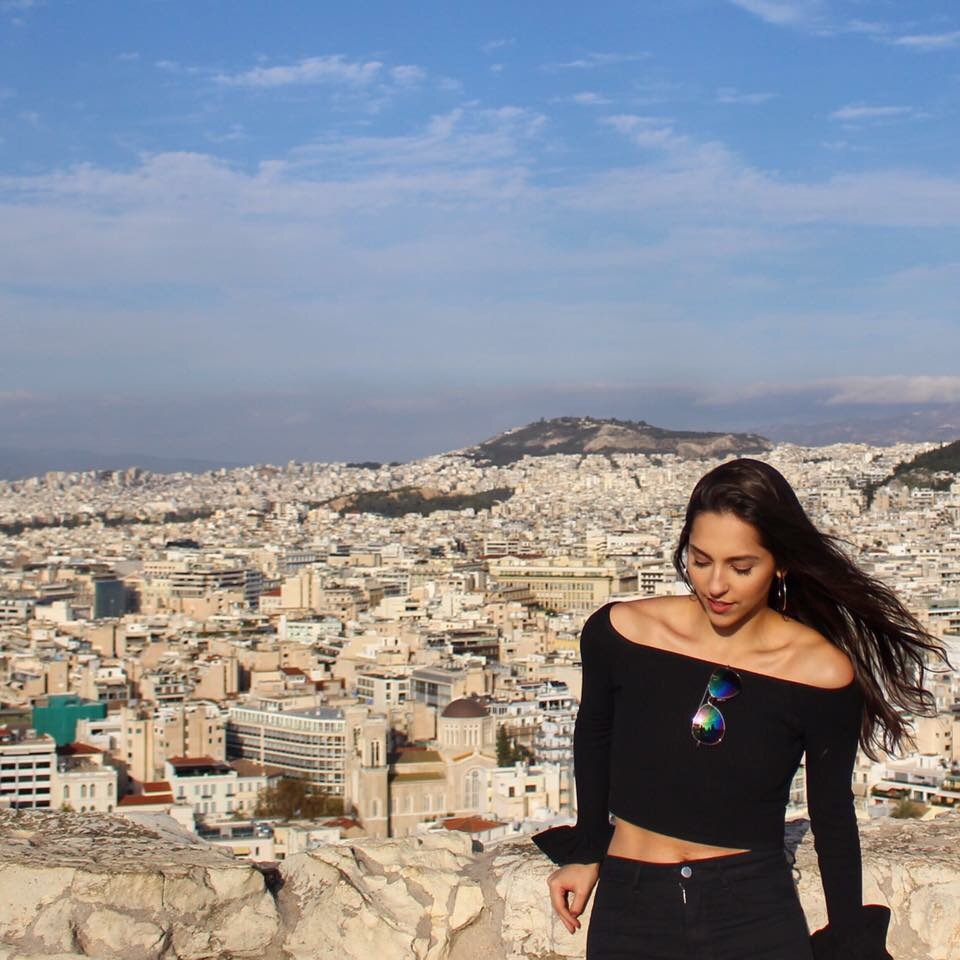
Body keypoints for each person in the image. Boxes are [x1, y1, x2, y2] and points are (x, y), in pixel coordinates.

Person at [533, 458, 947, 960]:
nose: (715, 585)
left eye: (741, 567)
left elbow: (832, 813)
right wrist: (586, 851)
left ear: (780, 564)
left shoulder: (820, 672)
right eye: (700, 560)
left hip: (753, 909)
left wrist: (848, 937)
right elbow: (593, 734)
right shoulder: (621, 634)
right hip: (631, 906)